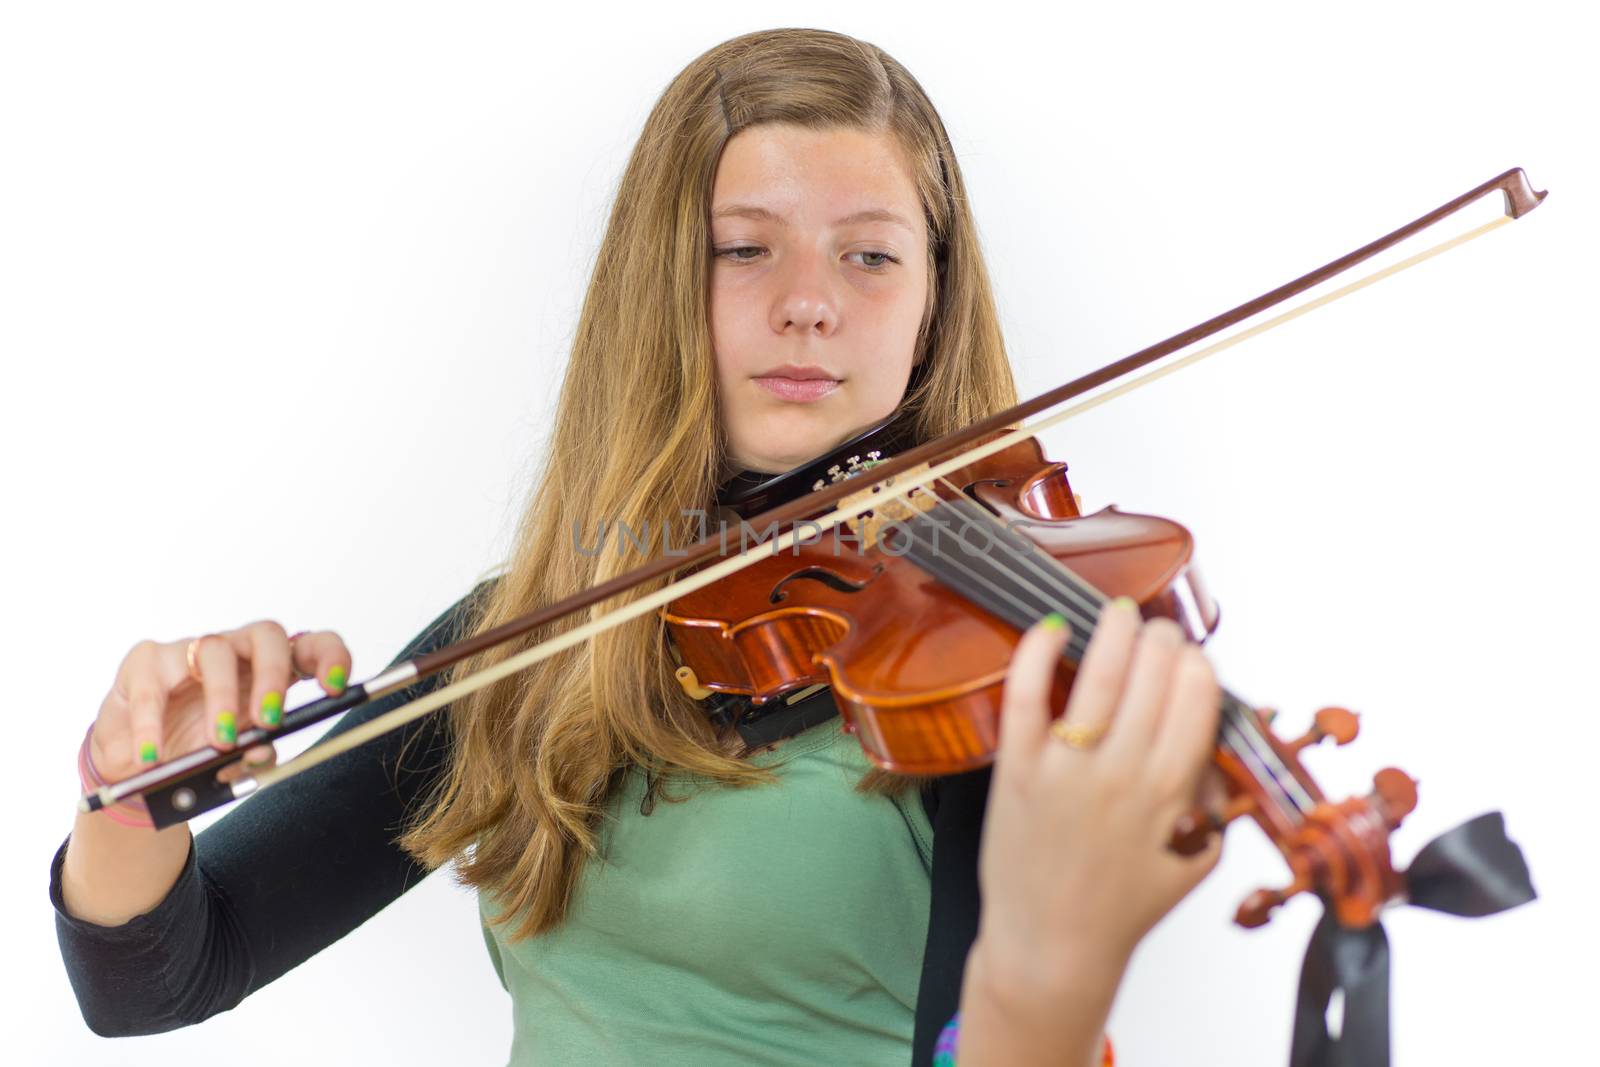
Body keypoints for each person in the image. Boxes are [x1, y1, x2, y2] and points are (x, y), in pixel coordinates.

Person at [51, 27, 1224, 1066]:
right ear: (660, 284)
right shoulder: (537, 632)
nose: (809, 301)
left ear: (932, 307)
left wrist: (1053, 981)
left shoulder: (982, 667)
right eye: (744, 248)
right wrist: (131, 792)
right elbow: (161, 976)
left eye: (869, 254)